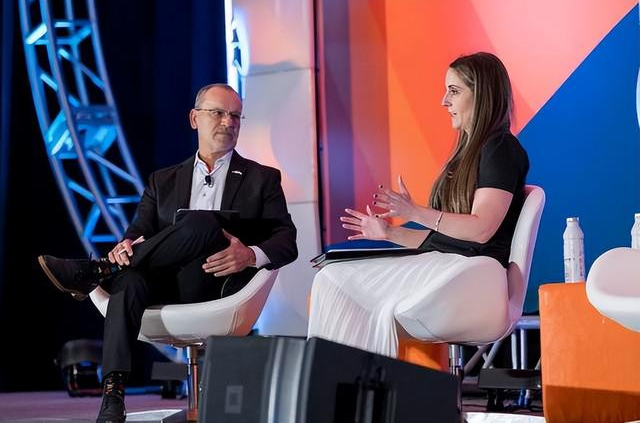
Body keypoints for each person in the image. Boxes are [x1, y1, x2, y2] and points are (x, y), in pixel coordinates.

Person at [38, 84, 298, 423]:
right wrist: (124, 247)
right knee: (129, 281)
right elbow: (136, 235)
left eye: (235, 116)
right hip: (165, 284)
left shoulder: (262, 178)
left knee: (204, 223)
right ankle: (113, 395)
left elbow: (287, 241)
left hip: (218, 286)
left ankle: (97, 271)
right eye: (218, 113)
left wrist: (248, 255)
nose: (228, 122)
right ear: (194, 118)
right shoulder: (162, 181)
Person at [307, 52, 529, 357]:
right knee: (332, 278)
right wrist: (389, 233)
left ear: (482, 95)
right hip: (452, 265)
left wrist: (415, 212)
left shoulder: (500, 148)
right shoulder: (470, 153)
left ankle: (344, 381)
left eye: (454, 91)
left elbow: (481, 230)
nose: (444, 101)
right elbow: (445, 241)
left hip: (472, 274)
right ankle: (347, 380)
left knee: (333, 280)